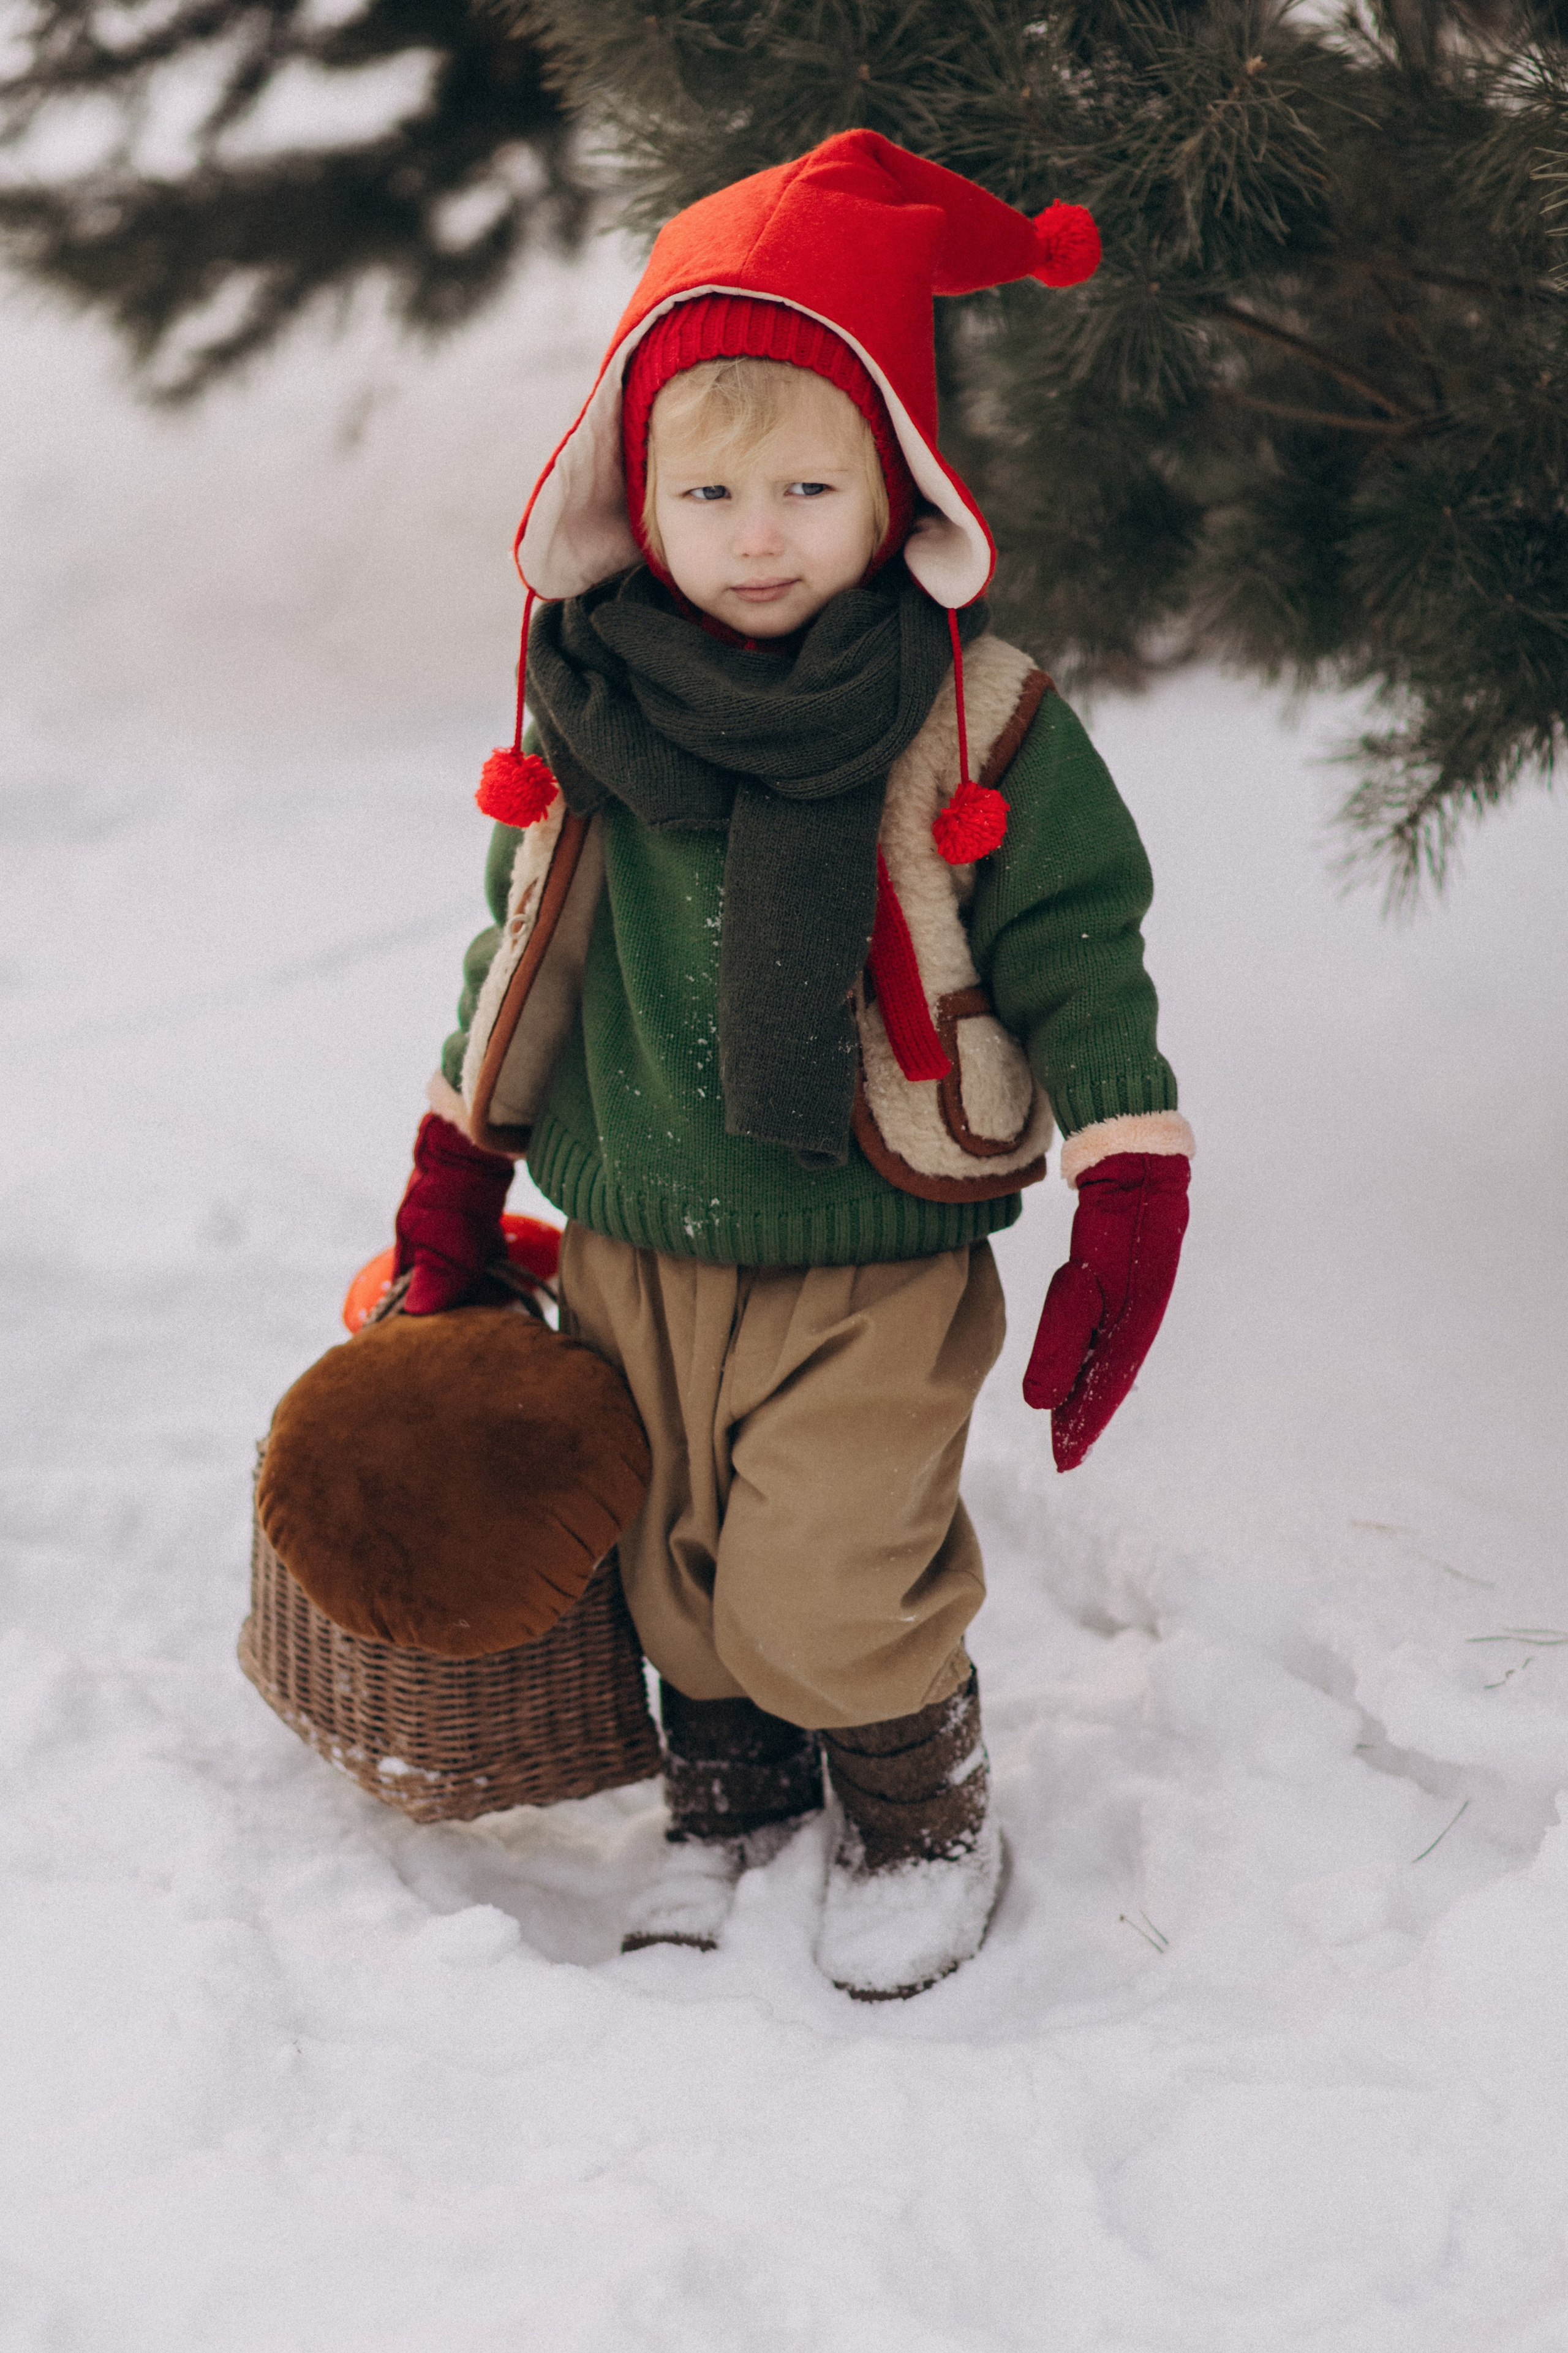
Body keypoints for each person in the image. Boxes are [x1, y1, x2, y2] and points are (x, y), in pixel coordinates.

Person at [391, 131, 1194, 2000]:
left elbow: (1078, 939)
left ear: (894, 487)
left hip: (870, 1232)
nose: (759, 534)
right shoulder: (596, 708)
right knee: (675, 1560)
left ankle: (921, 1804)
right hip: (638, 1232)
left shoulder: (973, 711)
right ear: (636, 496)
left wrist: (1128, 1170)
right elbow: (525, 951)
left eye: (810, 485)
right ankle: (736, 1798)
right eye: (714, 487)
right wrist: (455, 1168)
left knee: (831, 1563)